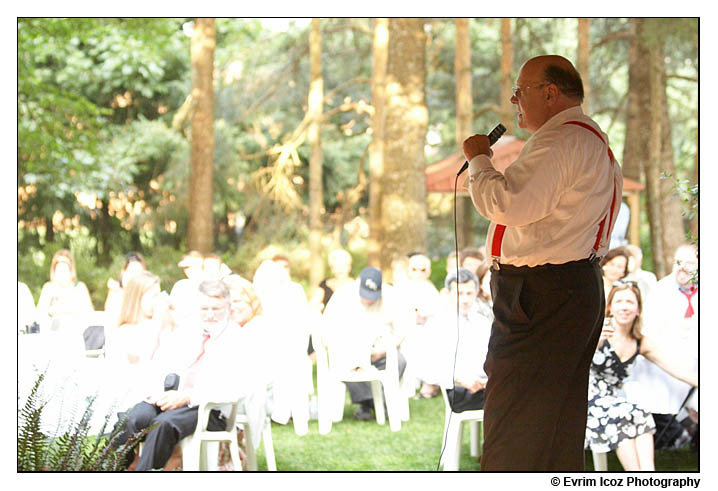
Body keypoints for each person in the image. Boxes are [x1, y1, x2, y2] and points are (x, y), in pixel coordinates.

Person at [461, 54, 622, 470]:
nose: (514, 99)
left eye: (520, 90)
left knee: (516, 420)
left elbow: (507, 203)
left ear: (549, 93)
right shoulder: (589, 137)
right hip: (567, 287)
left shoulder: (561, 140)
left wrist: (480, 158)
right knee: (552, 423)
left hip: (541, 293)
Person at [112, 280, 262, 471]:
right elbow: (163, 364)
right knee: (134, 418)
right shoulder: (188, 330)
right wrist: (159, 392)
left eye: (216, 309)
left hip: (210, 408)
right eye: (204, 308)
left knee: (162, 425)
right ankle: (119, 467)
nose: (209, 314)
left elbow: (234, 387)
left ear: (228, 306)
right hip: (171, 398)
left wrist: (187, 397)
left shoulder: (237, 339)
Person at [585, 282, 697, 470]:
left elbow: (675, 368)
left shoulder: (640, 341)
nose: (624, 306)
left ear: (638, 309)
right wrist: (593, 341)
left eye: (630, 301)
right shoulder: (597, 331)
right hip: (588, 400)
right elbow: (571, 360)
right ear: (610, 307)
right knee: (623, 414)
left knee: (642, 414)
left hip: (615, 401)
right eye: (619, 301)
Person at [625, 244, 698, 448]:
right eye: (678, 262)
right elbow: (650, 330)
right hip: (665, 356)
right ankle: (671, 435)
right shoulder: (661, 290)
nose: (682, 268)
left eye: (690, 263)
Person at [321, 266, 411, 421]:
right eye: (365, 295)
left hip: (382, 349)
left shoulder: (391, 296)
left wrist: (385, 349)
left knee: (400, 361)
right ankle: (369, 402)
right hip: (350, 351)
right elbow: (328, 331)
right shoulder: (342, 296)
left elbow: (402, 330)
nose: (369, 300)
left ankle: (381, 400)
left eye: (373, 296)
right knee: (343, 363)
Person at [433, 268, 492, 412]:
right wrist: (460, 379)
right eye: (459, 293)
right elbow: (431, 365)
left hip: (485, 385)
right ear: (448, 294)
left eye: (469, 293)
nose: (465, 299)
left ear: (476, 293)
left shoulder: (483, 322)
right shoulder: (438, 324)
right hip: (458, 389)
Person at [36, 249, 94, 330]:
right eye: (59, 267)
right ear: (54, 270)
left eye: (65, 267)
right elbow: (40, 315)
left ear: (71, 270)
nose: (62, 271)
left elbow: (89, 315)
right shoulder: (48, 288)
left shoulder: (80, 288)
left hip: (76, 331)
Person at [104, 252, 148, 320]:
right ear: (123, 272)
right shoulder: (115, 294)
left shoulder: (147, 296)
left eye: (138, 273)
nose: (134, 277)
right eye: (131, 271)